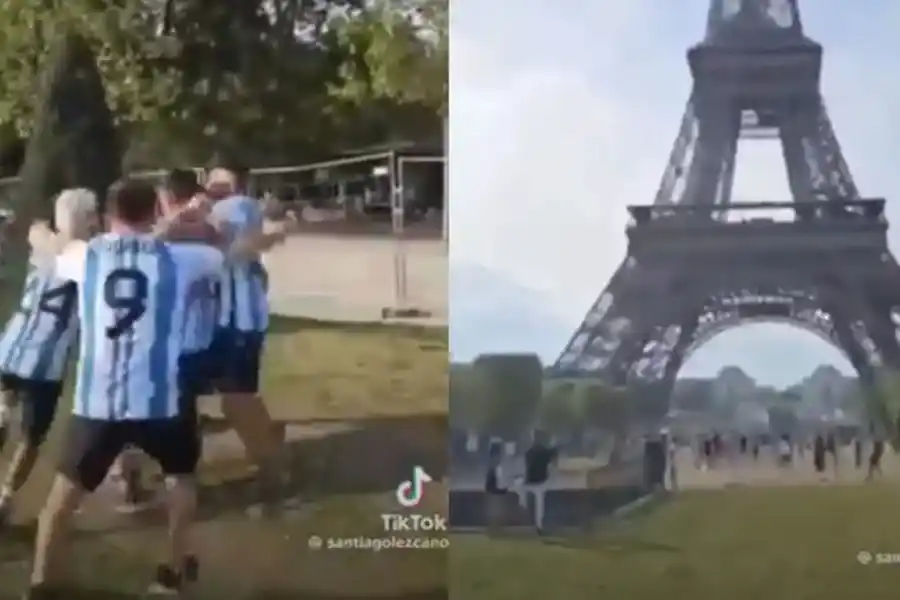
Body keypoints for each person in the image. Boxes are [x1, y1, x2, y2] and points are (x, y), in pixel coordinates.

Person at [24, 178, 224, 598]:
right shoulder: (182, 258)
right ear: (153, 211)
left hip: (100, 401)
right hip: (161, 398)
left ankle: (42, 582)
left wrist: (46, 230)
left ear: (107, 216)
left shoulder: (85, 256)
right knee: (181, 477)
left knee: (62, 495)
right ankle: (173, 568)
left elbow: (46, 240)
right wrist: (174, 225)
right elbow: (219, 248)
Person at [0, 189, 98, 525]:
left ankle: (2, 415)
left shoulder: (41, 239)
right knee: (31, 437)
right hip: (46, 359)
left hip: (11, 346)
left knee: (5, 410)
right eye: (92, 214)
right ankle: (5, 497)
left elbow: (37, 232)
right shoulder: (86, 256)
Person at [204, 162, 292, 515]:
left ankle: (273, 473)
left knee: (236, 399)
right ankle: (269, 443)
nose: (210, 181)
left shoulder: (235, 205)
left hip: (237, 320)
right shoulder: (233, 206)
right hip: (238, 317)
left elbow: (246, 246)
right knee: (235, 396)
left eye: (216, 175)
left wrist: (273, 236)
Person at [516, 430, 557, 533]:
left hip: (538, 483)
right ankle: (524, 506)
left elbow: (553, 454)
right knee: (518, 484)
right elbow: (553, 453)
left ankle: (537, 524)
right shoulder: (533, 452)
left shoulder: (534, 452)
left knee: (539, 502)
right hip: (532, 482)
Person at [484, 442, 508, 534]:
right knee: (495, 511)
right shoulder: (493, 467)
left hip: (493, 492)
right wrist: (501, 490)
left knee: (495, 511)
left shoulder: (493, 467)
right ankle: (494, 528)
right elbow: (491, 483)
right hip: (493, 492)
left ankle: (495, 528)